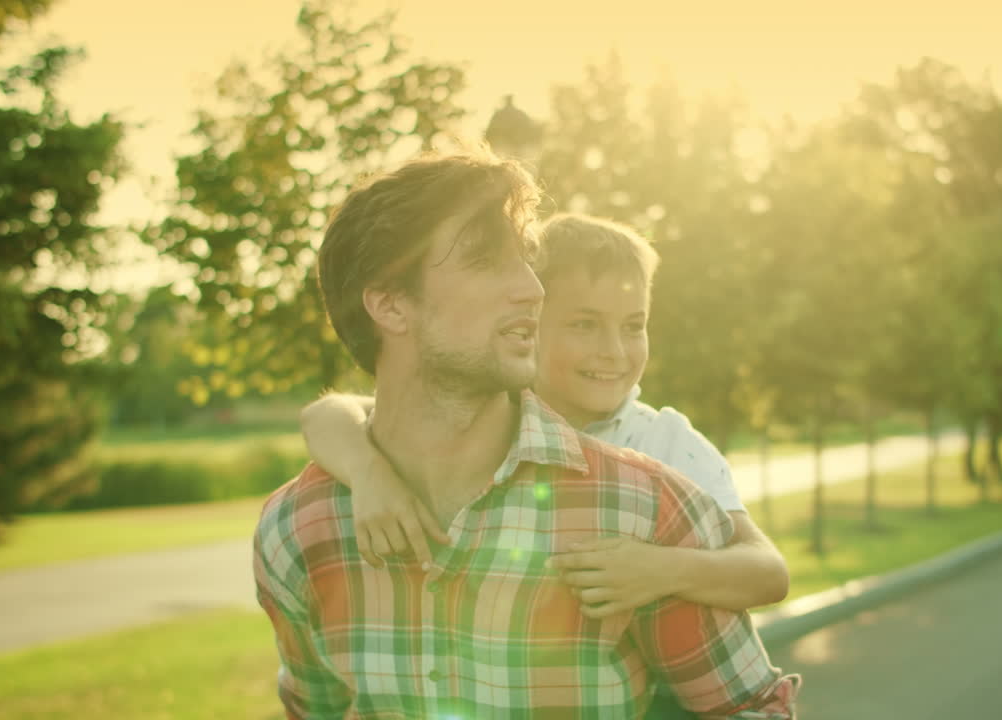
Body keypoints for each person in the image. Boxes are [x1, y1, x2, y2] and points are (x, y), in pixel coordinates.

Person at [252, 147, 799, 719]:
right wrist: (365, 470)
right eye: (487, 261)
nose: (533, 290)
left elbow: (752, 705)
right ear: (389, 304)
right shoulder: (296, 531)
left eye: (528, 263)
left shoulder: (644, 511)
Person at [302, 214, 790, 620]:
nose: (614, 351)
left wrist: (660, 569)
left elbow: (767, 571)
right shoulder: (489, 418)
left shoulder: (664, 439)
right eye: (584, 325)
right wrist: (369, 473)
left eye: (633, 326)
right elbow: (328, 414)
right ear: (528, 322)